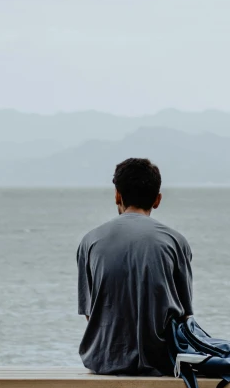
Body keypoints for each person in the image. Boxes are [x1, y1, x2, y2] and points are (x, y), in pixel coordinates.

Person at [76, 158, 193, 376]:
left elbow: (90, 314)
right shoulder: (175, 241)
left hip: (103, 361)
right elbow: (185, 315)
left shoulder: (90, 241)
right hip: (163, 363)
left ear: (117, 195)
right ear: (157, 200)